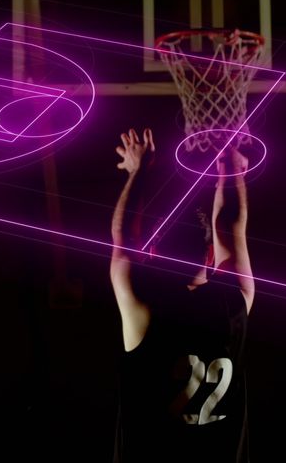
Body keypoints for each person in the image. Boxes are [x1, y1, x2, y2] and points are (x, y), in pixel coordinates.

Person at [110, 128, 254, 462]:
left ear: (154, 252)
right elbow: (231, 225)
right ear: (209, 256)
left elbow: (121, 238)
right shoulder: (234, 303)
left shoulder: (143, 308)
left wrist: (138, 170)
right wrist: (229, 171)